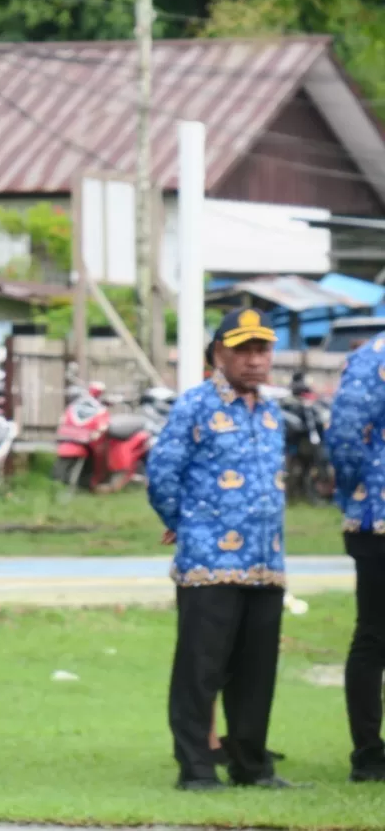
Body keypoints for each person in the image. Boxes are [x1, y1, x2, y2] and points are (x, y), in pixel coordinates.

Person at [147, 308, 295, 791]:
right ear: (218, 354)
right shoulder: (195, 406)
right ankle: (196, 768)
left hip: (265, 562)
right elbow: (162, 474)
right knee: (200, 670)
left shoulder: (271, 412)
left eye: (262, 349)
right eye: (243, 350)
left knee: (256, 672)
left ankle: (252, 766)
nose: (254, 360)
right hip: (209, 563)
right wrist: (185, 524)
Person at [325, 326, 385, 783]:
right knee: (375, 636)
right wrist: (360, 492)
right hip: (379, 521)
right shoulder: (373, 358)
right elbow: (345, 437)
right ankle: (368, 752)